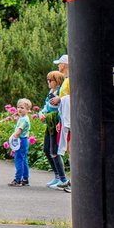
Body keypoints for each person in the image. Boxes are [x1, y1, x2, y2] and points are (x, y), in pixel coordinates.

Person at [41, 71, 68, 189]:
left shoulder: (59, 94)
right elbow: (46, 106)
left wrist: (58, 121)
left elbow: (61, 108)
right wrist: (41, 113)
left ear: (57, 81)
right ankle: (57, 175)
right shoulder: (50, 92)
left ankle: (63, 178)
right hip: (49, 122)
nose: (48, 82)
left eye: (50, 80)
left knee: (54, 151)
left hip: (55, 122)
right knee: (47, 149)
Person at [50, 54, 71, 191]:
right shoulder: (67, 80)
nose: (58, 65)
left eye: (60, 63)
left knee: (71, 150)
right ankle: (71, 180)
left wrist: (59, 100)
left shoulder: (70, 80)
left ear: (64, 65)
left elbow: (76, 95)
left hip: (70, 120)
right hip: (64, 119)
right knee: (69, 151)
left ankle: (75, 181)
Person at [8, 98, 33, 186]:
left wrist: (12, 139)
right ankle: (25, 179)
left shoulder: (23, 120)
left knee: (18, 160)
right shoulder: (24, 118)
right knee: (24, 160)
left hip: (21, 141)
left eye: (22, 107)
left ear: (28, 110)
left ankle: (17, 179)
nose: (19, 109)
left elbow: (18, 132)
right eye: (18, 107)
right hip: (25, 140)